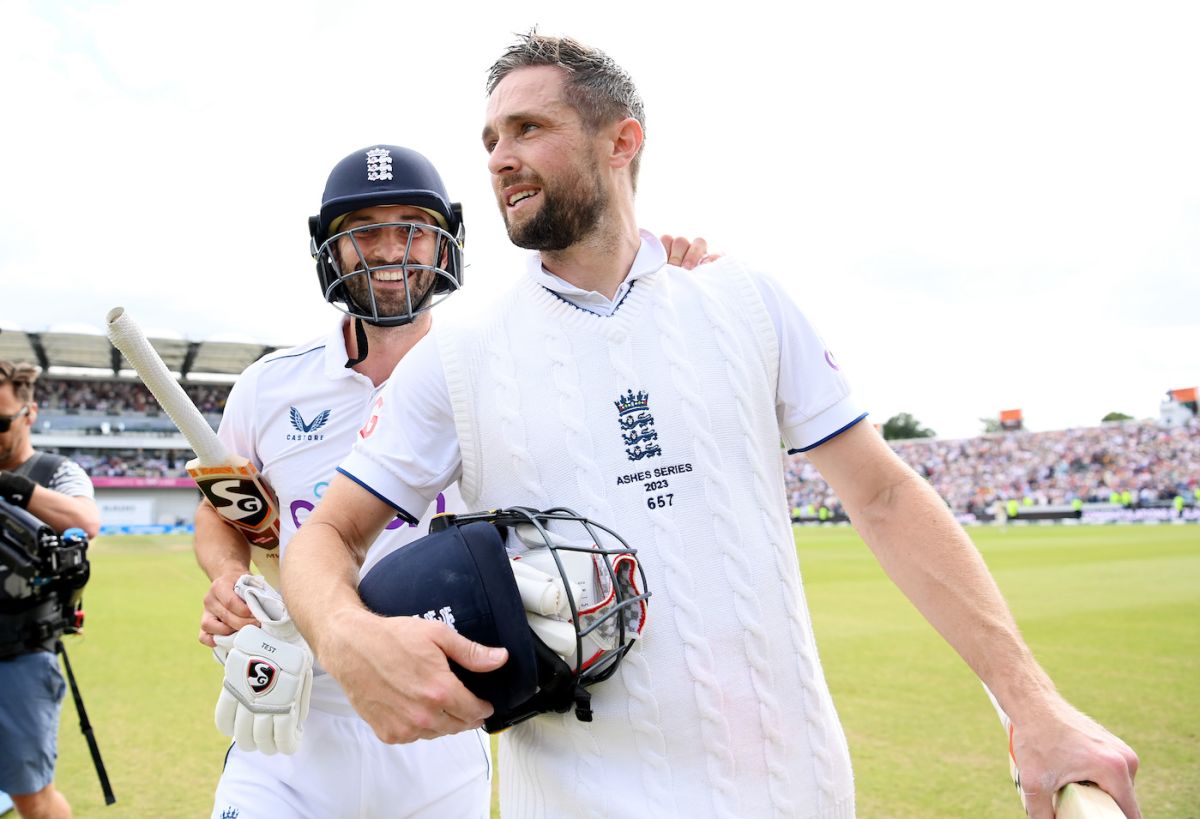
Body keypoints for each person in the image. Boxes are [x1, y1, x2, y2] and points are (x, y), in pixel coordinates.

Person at [281, 33, 1141, 819]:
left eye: (528, 128)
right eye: (491, 140)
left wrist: (1034, 703)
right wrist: (349, 635)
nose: (501, 158)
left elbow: (881, 495)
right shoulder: (454, 354)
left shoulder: (743, 298)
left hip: (797, 794)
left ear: (622, 141)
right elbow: (327, 536)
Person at [194, 144, 714, 819]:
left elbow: (617, 376)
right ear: (331, 248)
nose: (390, 249)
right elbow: (220, 511)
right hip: (294, 714)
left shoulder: (501, 374)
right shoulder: (268, 388)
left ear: (445, 243)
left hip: (443, 717)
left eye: (411, 225)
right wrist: (227, 576)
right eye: (365, 231)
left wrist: (656, 292)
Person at [0, 361, 100, 819]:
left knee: (32, 797)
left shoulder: (57, 471)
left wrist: (15, 488)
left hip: (18, 653)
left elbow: (86, 522)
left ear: (30, 413)